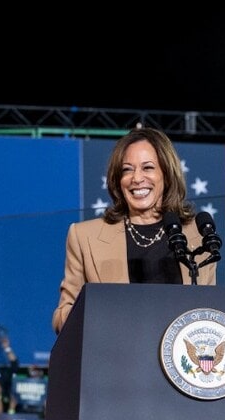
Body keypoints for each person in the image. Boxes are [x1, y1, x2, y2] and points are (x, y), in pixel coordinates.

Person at [53, 127, 215, 334]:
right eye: (127, 169)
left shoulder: (197, 236)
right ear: (117, 180)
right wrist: (95, 313)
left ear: (166, 174)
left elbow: (210, 314)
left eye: (147, 168)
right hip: (115, 357)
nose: (136, 178)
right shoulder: (85, 237)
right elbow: (61, 317)